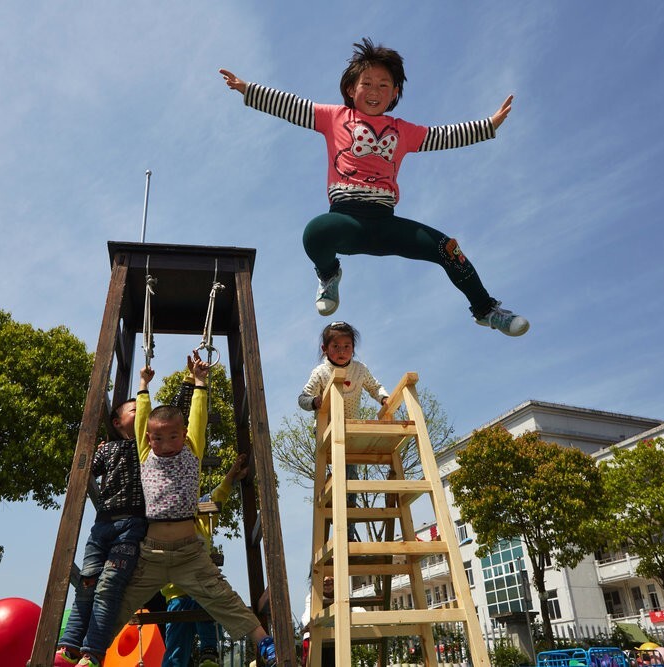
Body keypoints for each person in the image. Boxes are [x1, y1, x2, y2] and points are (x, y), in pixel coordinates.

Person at [220, 38, 528, 336]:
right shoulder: (333, 117)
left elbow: (442, 136)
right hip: (346, 220)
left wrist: (488, 126)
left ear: (394, 93)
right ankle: (329, 274)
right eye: (367, 83)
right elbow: (291, 106)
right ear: (351, 88)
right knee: (316, 231)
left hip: (385, 222)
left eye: (384, 85)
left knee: (447, 248)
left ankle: (486, 310)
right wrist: (249, 89)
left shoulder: (402, 130)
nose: (374, 91)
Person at [113, 352, 279, 667]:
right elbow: (145, 426)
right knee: (122, 604)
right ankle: (87, 653)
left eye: (175, 436)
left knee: (222, 598)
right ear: (150, 439)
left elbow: (197, 424)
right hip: (154, 555)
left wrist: (201, 381)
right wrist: (143, 386)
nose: (168, 442)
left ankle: (262, 644)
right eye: (159, 438)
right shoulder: (147, 454)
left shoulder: (192, 460)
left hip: (190, 554)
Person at [54, 397, 149, 666]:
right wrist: (92, 453)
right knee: (86, 584)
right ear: (117, 422)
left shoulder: (149, 446)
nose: (142, 411)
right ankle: (70, 646)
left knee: (108, 586)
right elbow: (81, 474)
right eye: (135, 409)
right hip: (102, 526)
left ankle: (93, 652)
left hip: (131, 525)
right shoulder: (107, 450)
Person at [298, 321, 388, 542]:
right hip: (327, 430)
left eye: (346, 346)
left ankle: (346, 533)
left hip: (349, 430)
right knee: (341, 478)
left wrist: (384, 399)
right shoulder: (321, 372)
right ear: (325, 349)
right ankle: (341, 527)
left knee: (351, 479)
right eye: (335, 347)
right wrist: (316, 401)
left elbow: (375, 387)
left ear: (353, 348)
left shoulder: (359, 369)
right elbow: (302, 398)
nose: (341, 351)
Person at [161, 453, 249, 667]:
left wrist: (231, 476)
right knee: (176, 648)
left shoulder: (201, 516)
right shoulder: (164, 518)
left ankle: (209, 653)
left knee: (206, 605)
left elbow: (219, 495)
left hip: (199, 586)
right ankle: (182, 661)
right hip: (176, 592)